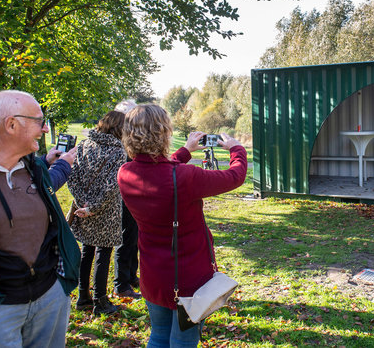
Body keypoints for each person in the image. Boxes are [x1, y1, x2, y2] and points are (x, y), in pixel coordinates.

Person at [0, 90, 80, 347]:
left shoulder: (35, 168)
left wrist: (59, 286)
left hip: (49, 296)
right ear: (10, 125)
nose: (45, 129)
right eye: (38, 121)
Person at [117, 104, 247, 347]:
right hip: (188, 276)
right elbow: (235, 176)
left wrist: (185, 150)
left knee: (158, 335)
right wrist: (236, 149)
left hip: (153, 273)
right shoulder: (185, 177)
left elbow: (160, 171)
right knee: (183, 341)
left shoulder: (125, 173)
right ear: (164, 132)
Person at [67, 111, 127, 315]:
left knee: (87, 251)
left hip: (83, 207)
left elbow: (72, 176)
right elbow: (112, 186)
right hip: (106, 210)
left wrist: (81, 203)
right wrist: (92, 208)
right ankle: (100, 300)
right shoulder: (118, 151)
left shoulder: (84, 145)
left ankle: (83, 296)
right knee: (103, 252)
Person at [113, 99, 141, 299]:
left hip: (134, 191)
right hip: (120, 194)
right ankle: (121, 284)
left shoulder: (130, 137)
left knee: (134, 236)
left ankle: (131, 276)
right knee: (124, 237)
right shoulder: (117, 140)